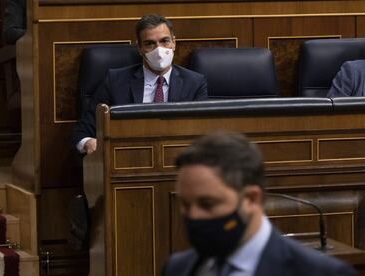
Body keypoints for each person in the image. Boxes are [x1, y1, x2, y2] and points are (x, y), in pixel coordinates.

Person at [162, 132, 357, 276]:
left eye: (208, 204)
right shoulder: (177, 268)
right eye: (186, 205)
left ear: (251, 199)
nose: (194, 216)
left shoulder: (321, 273)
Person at [71, 14, 208, 155]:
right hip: (127, 159)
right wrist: (88, 142)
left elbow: (202, 135)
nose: (159, 50)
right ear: (139, 48)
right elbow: (82, 131)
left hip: (176, 159)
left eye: (164, 41)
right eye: (150, 44)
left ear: (174, 43)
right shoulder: (115, 80)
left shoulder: (194, 83)